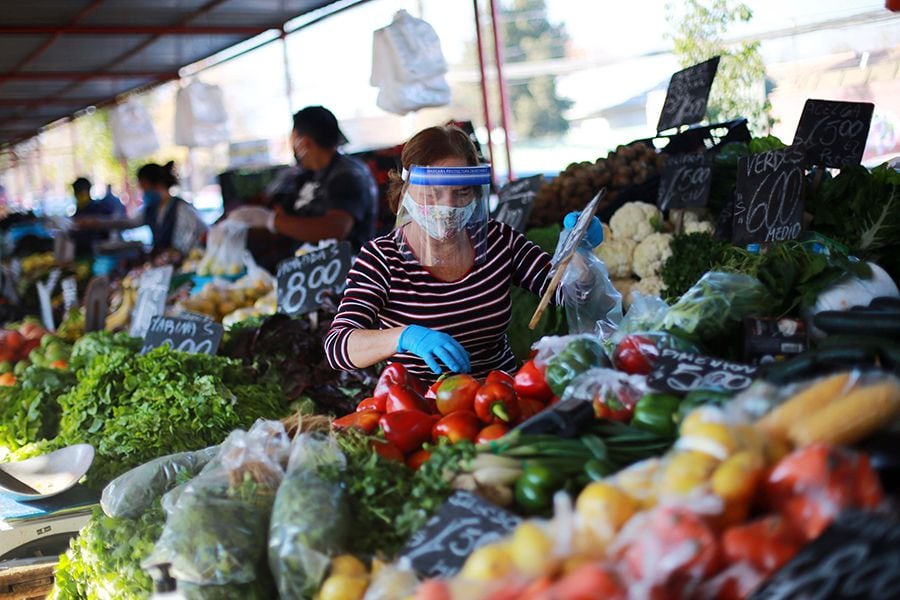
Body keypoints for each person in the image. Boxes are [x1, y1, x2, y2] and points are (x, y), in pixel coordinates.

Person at [323, 125, 604, 384]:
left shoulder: (498, 239)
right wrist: (404, 337)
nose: (448, 206)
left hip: (501, 394)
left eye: (461, 193)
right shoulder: (381, 258)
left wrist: (578, 250)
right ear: (406, 190)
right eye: (433, 194)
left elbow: (566, 291)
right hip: (420, 409)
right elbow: (338, 347)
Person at [227, 106, 378, 252]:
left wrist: (272, 220)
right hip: (304, 268)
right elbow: (287, 218)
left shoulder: (348, 175)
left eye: (292, 139)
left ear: (305, 143)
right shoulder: (306, 175)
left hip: (346, 271)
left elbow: (336, 228)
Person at [74, 162, 204, 255]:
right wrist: (96, 223)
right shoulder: (151, 210)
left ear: (158, 184)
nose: (143, 192)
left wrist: (174, 254)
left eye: (144, 187)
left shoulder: (182, 209)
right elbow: (129, 222)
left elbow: (190, 243)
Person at [70, 177, 125, 254]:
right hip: (80, 251)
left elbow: (111, 230)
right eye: (76, 193)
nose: (78, 195)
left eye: (81, 192)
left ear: (88, 191)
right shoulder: (78, 211)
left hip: (98, 253)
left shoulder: (100, 209)